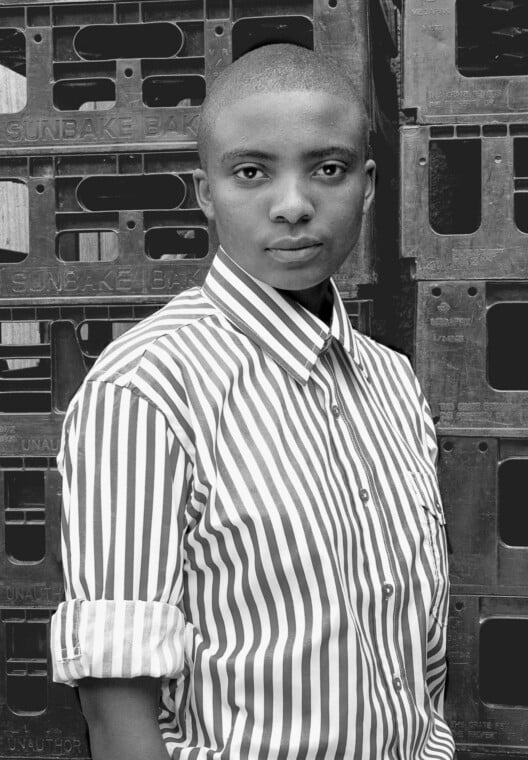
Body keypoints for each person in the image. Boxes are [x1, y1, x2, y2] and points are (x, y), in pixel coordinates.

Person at [50, 43, 455, 760]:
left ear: (366, 185)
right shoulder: (146, 388)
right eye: (251, 172)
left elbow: (417, 661)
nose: (293, 205)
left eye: (327, 169)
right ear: (206, 191)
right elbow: (117, 713)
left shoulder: (394, 383)